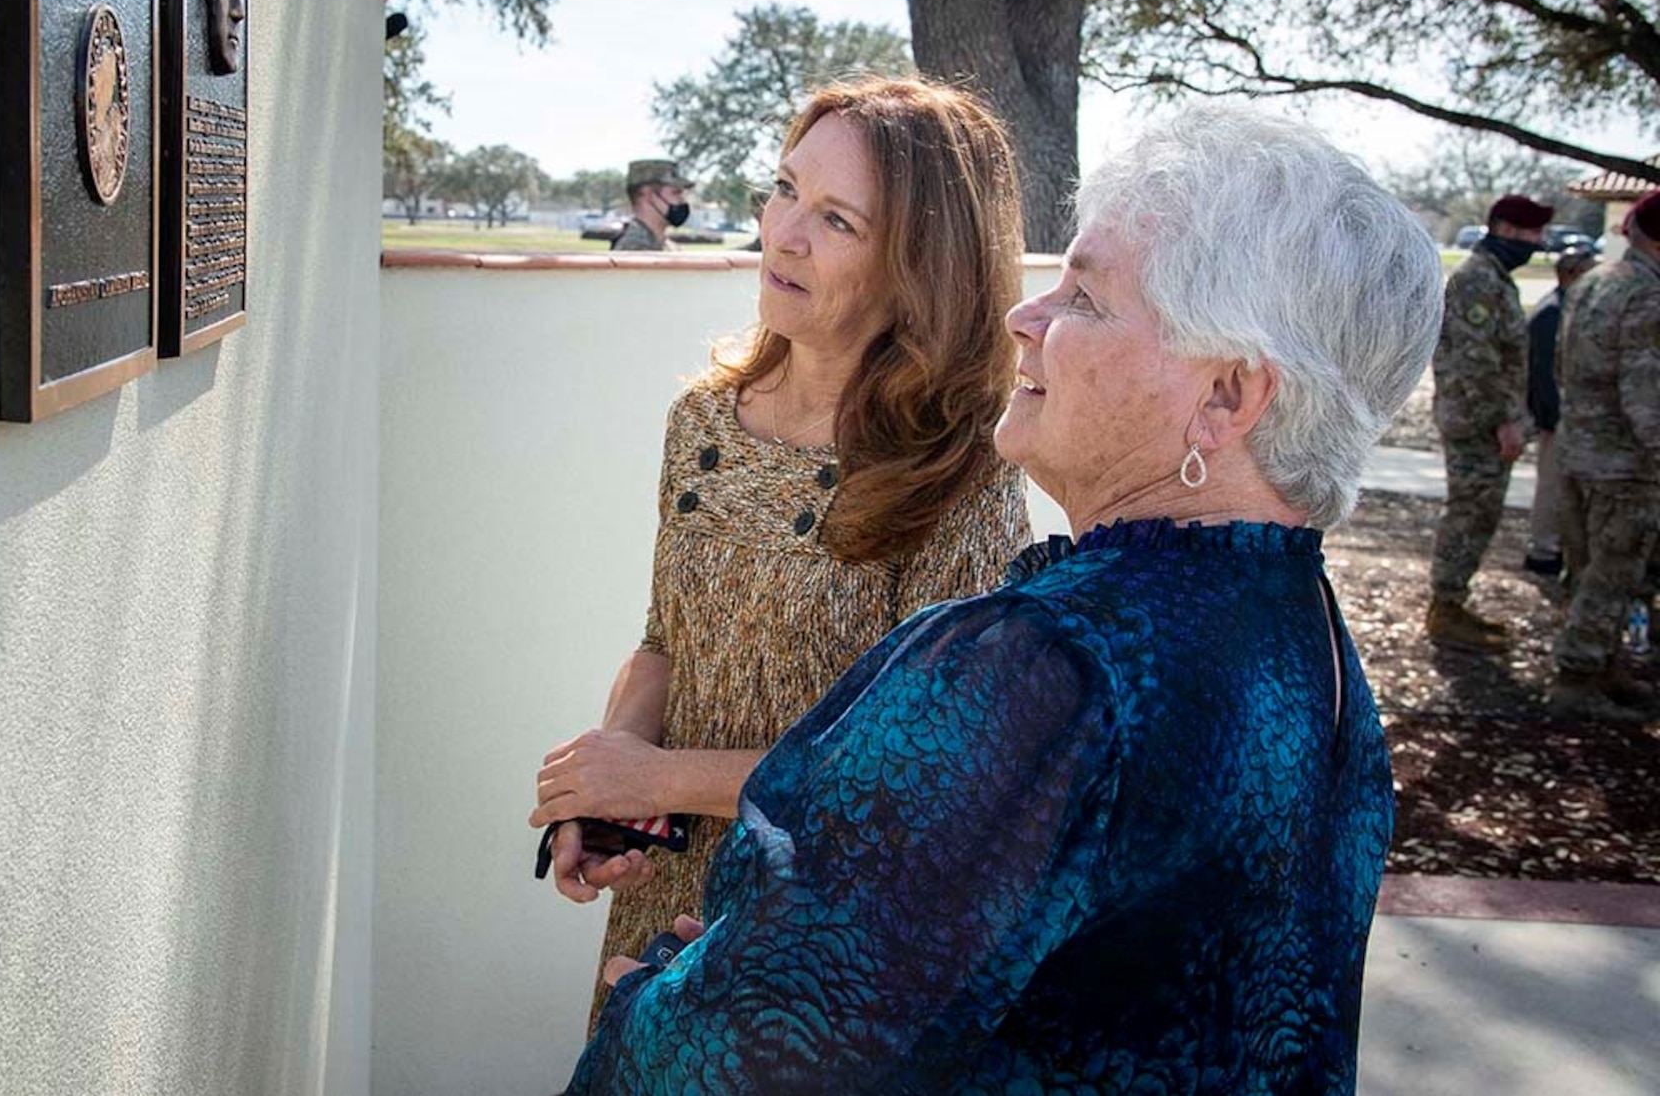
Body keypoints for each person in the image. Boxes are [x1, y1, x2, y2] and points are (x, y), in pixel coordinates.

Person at [563, 106, 1442, 1095]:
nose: (1029, 316)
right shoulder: (1305, 635)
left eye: (1086, 297)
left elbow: (747, 1063)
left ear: (1226, 397)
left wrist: (653, 994)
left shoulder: (1045, 665)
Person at [531, 78, 1034, 1014]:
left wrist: (662, 774)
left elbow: (932, 782)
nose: (784, 232)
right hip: (665, 917)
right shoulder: (701, 420)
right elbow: (665, 641)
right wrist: (612, 783)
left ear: (921, 265)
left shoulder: (960, 473)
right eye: (785, 187)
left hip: (826, 949)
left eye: (838, 220)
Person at [1549, 189, 1660, 720]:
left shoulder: (1594, 280)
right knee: (1610, 574)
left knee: (1588, 569)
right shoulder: (1647, 294)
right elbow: (1646, 394)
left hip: (1579, 452)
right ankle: (1577, 681)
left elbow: (1558, 363)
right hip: (1624, 466)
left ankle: (1604, 664)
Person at [1427, 192, 1553, 649]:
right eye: (1532, 233)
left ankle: (1453, 603)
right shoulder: (1478, 279)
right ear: (1505, 229)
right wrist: (1504, 420)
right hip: (1476, 420)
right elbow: (1477, 359)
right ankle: (1446, 607)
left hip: (1484, 417)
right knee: (1470, 513)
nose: (1538, 243)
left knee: (1481, 513)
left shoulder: (1495, 278)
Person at [1522, 245, 1598, 575]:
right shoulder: (1551, 312)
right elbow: (1542, 373)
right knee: (1551, 487)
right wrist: (1553, 417)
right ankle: (1544, 550)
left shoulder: (1573, 307)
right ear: (1569, 275)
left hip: (1573, 420)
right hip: (1557, 420)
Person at [612, 162, 693, 252]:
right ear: (648, 194)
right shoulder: (634, 248)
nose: (682, 200)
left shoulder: (667, 247)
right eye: (676, 192)